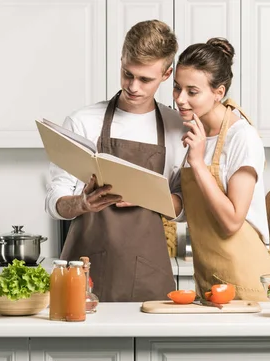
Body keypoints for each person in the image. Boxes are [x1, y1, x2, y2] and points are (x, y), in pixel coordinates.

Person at [45, 20, 186, 302]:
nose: (133, 86)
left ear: (167, 74)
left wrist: (147, 196)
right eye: (127, 74)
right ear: (121, 61)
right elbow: (54, 201)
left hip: (149, 271)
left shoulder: (176, 126)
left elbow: (183, 208)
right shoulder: (83, 121)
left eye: (145, 79)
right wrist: (82, 203)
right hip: (84, 269)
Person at [173, 37, 270, 301]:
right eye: (176, 88)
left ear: (218, 92)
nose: (180, 99)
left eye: (192, 91)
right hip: (210, 278)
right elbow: (188, 208)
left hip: (246, 282)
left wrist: (197, 164)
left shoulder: (241, 137)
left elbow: (232, 221)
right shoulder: (193, 132)